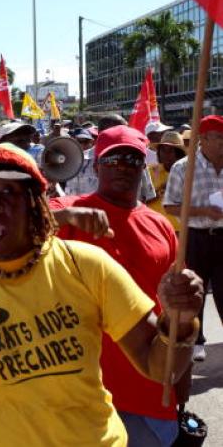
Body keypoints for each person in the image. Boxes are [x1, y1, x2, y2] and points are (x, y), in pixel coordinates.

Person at [0, 143, 203, 447]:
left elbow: (161, 369)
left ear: (34, 203)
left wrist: (182, 321)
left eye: (6, 191)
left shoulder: (86, 265)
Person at [50, 126, 182, 446]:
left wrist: (182, 385)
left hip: (148, 392)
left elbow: (178, 311)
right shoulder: (66, 210)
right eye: (113, 159)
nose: (123, 165)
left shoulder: (161, 226)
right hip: (82, 394)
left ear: (143, 168)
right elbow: (14, 230)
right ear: (95, 166)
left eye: (132, 159)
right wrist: (67, 216)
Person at [164, 114, 223, 362]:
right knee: (195, 290)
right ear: (203, 139)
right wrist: (203, 211)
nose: (222, 143)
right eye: (219, 138)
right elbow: (170, 206)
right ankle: (197, 341)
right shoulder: (183, 168)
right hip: (196, 237)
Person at [147, 131, 186, 232]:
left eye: (170, 151)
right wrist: (159, 190)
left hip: (180, 231)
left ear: (179, 154)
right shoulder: (150, 171)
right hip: (156, 230)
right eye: (163, 150)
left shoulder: (189, 174)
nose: (166, 154)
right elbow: (140, 201)